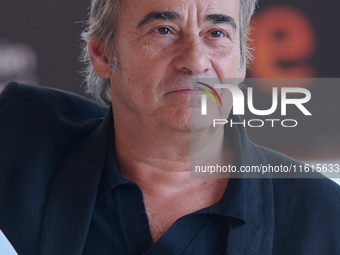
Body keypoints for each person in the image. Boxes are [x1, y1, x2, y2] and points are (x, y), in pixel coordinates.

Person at [0, 0, 339, 254]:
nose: (195, 60)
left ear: (241, 59)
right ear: (102, 53)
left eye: (216, 33)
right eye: (163, 30)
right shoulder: (19, 150)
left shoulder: (324, 215)